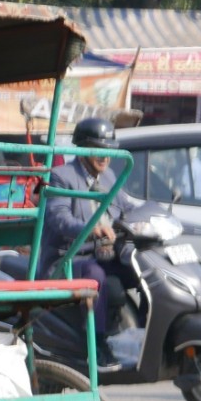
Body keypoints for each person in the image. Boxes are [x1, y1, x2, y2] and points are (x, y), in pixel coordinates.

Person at [40, 116, 136, 362]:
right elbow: (59, 219)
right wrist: (92, 229)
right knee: (96, 276)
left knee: (137, 268)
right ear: (82, 149)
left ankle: (140, 332)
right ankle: (95, 341)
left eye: (108, 151)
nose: (104, 157)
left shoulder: (109, 177)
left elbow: (127, 207)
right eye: (97, 151)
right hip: (66, 260)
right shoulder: (62, 176)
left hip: (102, 254)